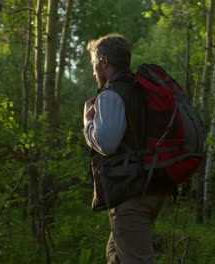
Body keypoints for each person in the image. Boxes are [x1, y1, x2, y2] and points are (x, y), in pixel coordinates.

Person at [83, 33, 171, 264]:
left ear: (103, 62)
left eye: (94, 65)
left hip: (131, 192)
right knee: (115, 255)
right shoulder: (141, 89)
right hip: (153, 185)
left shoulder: (113, 94)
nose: (93, 72)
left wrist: (88, 124)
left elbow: (107, 143)